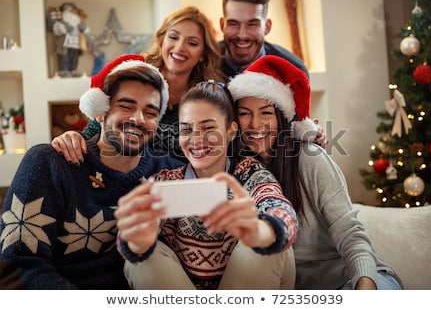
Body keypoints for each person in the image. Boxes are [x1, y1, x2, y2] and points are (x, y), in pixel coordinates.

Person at [0, 54, 184, 289]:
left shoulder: (170, 173)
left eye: (150, 112)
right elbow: (17, 265)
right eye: (126, 106)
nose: (138, 119)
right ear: (100, 112)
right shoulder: (50, 163)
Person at [228, 55, 403, 290]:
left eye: (266, 113)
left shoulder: (310, 159)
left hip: (349, 278)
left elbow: (350, 234)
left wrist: (365, 284)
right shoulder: (237, 171)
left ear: (281, 118)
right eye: (245, 113)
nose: (255, 124)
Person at [114, 81, 298, 289]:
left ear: (230, 131)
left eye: (208, 127)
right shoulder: (165, 181)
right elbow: (129, 238)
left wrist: (259, 231)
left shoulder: (250, 174)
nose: (196, 139)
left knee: (271, 243)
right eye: (186, 129)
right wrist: (138, 241)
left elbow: (280, 209)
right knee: (139, 259)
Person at [52, 6, 225, 163]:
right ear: (162, 40)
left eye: (192, 43)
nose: (180, 47)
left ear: (203, 53)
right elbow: (96, 130)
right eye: (173, 37)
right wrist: (73, 137)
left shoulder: (205, 99)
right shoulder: (134, 77)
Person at [219, 0, 308, 79]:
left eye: (252, 24)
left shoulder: (294, 71)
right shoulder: (205, 60)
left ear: (267, 27)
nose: (242, 35)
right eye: (233, 24)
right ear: (222, 25)